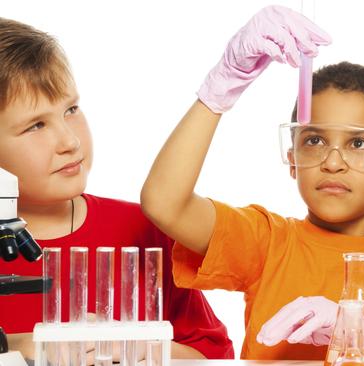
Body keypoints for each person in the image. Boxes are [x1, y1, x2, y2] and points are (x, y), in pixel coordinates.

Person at [140, 5, 364, 361]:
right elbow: (164, 202)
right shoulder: (267, 243)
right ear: (292, 159)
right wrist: (219, 90)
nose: (332, 162)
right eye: (314, 141)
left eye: (359, 143)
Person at [0, 17, 234, 361]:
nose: (69, 140)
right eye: (36, 125)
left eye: (71, 110)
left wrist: (142, 347)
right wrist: (18, 346)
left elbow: (214, 355)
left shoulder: (146, 229)